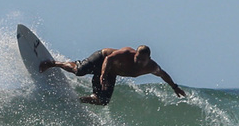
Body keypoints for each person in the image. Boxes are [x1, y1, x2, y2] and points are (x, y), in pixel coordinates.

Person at [39, 45, 186, 106]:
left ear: (148, 58)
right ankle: (53, 63)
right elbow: (109, 59)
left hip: (111, 72)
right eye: (137, 58)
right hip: (102, 59)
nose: (139, 61)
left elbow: (163, 74)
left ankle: (75, 100)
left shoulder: (152, 67)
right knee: (79, 71)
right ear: (135, 54)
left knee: (102, 100)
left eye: (142, 60)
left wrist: (175, 87)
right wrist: (102, 74)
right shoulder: (126, 54)